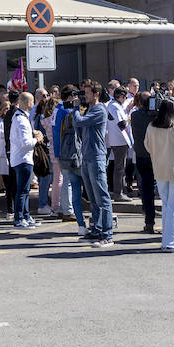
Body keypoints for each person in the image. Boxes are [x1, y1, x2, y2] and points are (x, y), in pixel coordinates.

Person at [143, 99, 174, 253]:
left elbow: (147, 146)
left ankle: (166, 241)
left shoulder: (151, 126)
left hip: (160, 169)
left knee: (166, 206)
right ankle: (173, 242)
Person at [73, 81, 114, 247]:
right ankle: (97, 230)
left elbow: (79, 122)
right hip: (87, 156)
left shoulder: (99, 109)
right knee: (93, 198)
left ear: (96, 94)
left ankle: (107, 234)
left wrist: (76, 108)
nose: (84, 96)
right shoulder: (90, 109)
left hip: (96, 157)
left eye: (87, 93)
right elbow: (78, 127)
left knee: (102, 197)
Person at [54, 88, 86, 232]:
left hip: (60, 147)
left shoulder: (58, 108)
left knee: (64, 179)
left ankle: (63, 208)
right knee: (68, 181)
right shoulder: (67, 111)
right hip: (68, 149)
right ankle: (68, 210)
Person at [129, 91, 158, 234]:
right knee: (156, 189)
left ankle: (149, 221)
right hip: (154, 156)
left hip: (142, 156)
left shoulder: (135, 115)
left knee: (146, 190)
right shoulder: (156, 117)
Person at [8, 92, 37, 228]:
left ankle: (26, 216)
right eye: (32, 101)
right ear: (28, 103)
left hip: (21, 158)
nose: (33, 104)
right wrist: (37, 139)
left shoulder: (20, 117)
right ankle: (19, 218)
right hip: (23, 158)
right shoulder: (21, 119)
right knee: (22, 190)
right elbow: (26, 143)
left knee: (25, 190)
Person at [106, 87, 133, 201]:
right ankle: (118, 193)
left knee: (120, 167)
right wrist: (129, 118)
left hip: (118, 140)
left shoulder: (114, 105)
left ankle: (119, 191)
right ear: (121, 96)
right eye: (125, 97)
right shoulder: (115, 106)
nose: (126, 99)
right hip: (119, 141)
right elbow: (122, 124)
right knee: (120, 168)